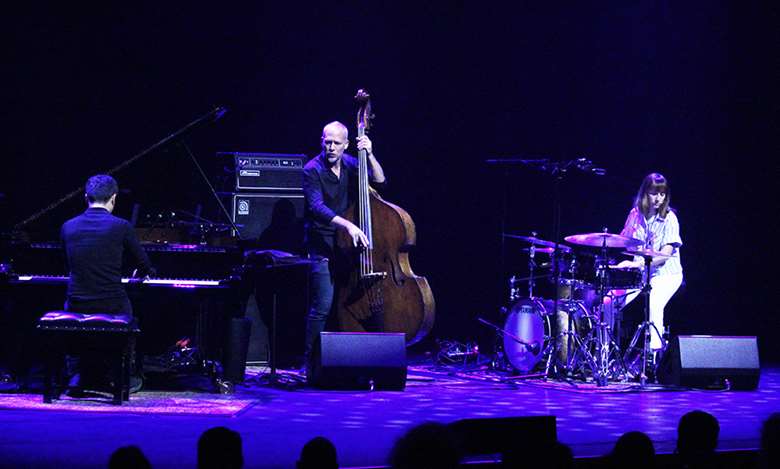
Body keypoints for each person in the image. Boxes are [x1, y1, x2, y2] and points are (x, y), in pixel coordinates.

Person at [302, 121, 386, 371]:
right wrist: (348, 226)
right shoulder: (311, 170)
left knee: (350, 302)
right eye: (326, 141)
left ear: (346, 145)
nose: (330, 147)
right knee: (323, 306)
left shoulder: (350, 163)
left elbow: (380, 180)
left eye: (336, 143)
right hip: (323, 245)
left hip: (349, 248)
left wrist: (369, 154)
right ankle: (309, 363)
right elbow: (316, 207)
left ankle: (353, 358)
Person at [60, 174, 154, 393]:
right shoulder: (121, 226)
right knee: (129, 313)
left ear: (85, 197)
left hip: (77, 301)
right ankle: (122, 375)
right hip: (111, 302)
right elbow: (144, 263)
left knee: (69, 305)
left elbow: (67, 264)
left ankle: (79, 373)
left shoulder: (67, 227)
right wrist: (145, 272)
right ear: (114, 198)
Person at [614, 173, 683, 353]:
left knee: (654, 302)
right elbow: (624, 243)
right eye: (654, 193)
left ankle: (654, 356)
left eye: (662, 194)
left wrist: (637, 265)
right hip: (640, 274)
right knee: (609, 300)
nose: (658, 198)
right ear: (645, 193)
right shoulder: (635, 215)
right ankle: (604, 352)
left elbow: (664, 256)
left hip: (667, 275)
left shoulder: (670, 218)